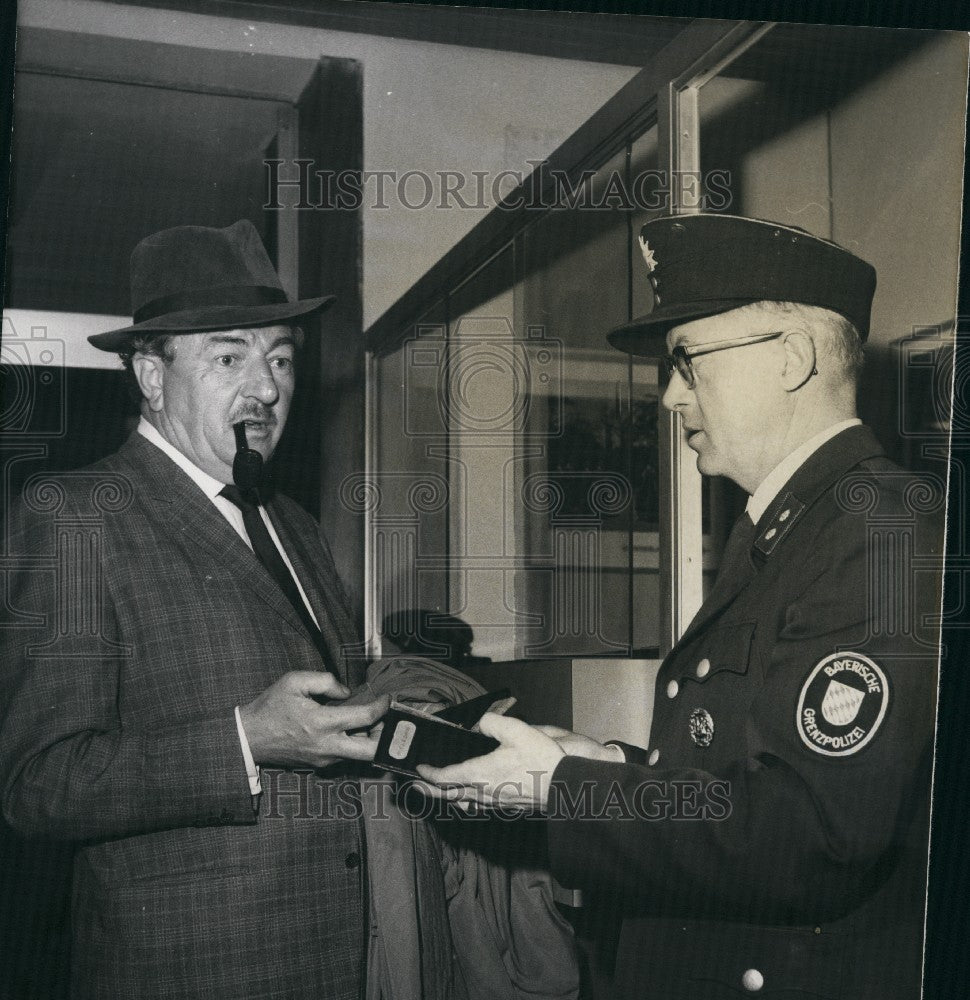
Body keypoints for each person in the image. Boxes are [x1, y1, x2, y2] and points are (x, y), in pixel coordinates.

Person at [418, 214, 943, 1000]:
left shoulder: (884, 528)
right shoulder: (791, 527)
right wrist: (607, 765)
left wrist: (562, 787)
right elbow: (740, 772)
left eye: (688, 363)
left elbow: (812, 836)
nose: (670, 395)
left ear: (792, 358)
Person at [0, 220, 441, 999]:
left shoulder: (293, 524)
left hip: (340, 961)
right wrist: (244, 741)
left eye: (280, 357)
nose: (267, 388)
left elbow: (317, 718)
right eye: (229, 357)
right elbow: (36, 784)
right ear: (151, 376)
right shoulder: (75, 514)